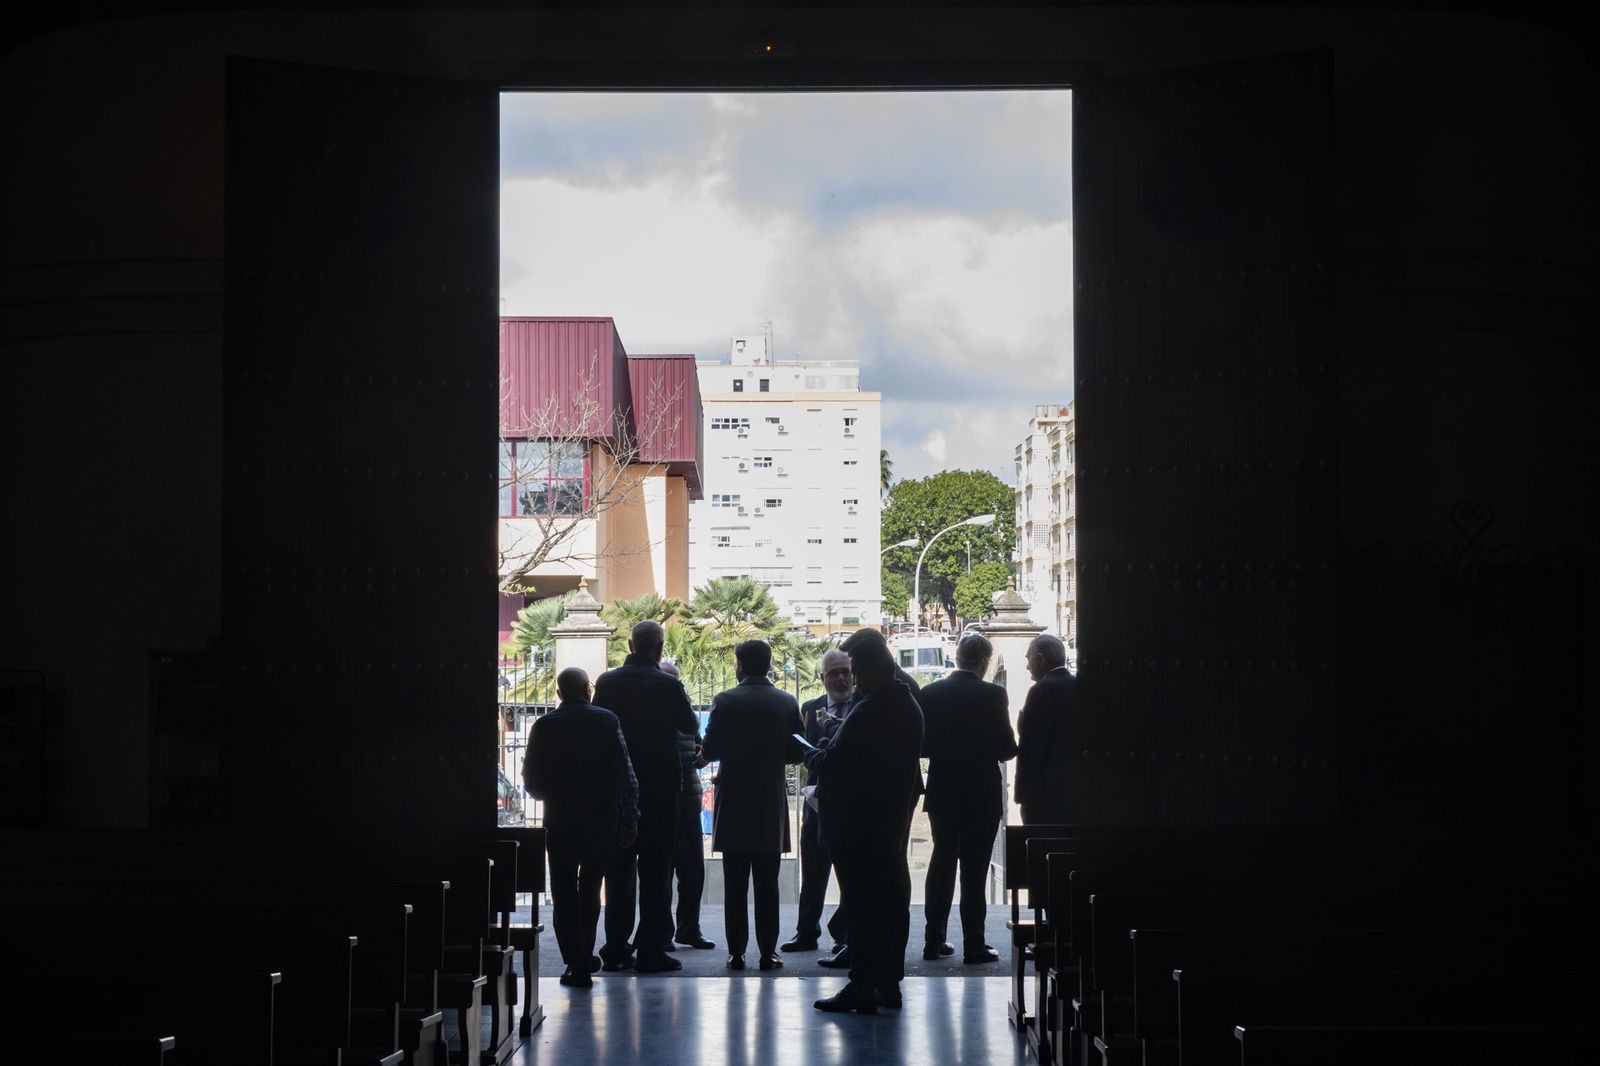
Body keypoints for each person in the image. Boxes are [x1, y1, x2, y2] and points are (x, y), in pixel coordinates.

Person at [806, 637, 924, 1013]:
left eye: (856, 672)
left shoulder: (873, 708)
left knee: (863, 908)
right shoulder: (907, 704)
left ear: (872, 670)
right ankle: (887, 984)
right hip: (887, 823)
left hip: (859, 827)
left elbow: (834, 762)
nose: (853, 681)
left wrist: (814, 750)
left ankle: (862, 986)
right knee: (889, 907)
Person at [593, 620, 702, 973]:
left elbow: (601, 725)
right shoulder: (667, 684)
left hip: (617, 789)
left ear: (629, 645)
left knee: (619, 869)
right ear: (659, 648)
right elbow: (690, 725)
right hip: (661, 787)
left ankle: (615, 947)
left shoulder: (607, 682)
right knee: (656, 873)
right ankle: (651, 950)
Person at [523, 667, 639, 989]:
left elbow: (531, 780)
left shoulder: (544, 725)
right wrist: (629, 816)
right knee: (590, 889)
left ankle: (574, 961)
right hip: (601, 819)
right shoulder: (607, 720)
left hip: (560, 818)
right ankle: (584, 957)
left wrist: (555, 795)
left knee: (562, 890)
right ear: (588, 690)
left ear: (559, 693)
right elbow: (626, 775)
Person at [700, 639, 807, 971]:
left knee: (735, 885)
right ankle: (768, 952)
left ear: (740, 665)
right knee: (767, 884)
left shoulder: (725, 700)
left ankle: (736, 953)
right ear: (769, 662)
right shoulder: (786, 701)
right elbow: (798, 751)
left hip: (733, 799)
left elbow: (712, 749)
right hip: (769, 800)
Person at [917, 631, 1016, 963]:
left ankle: (934, 940)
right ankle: (974, 944)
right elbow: (1007, 748)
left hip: (944, 790)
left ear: (957, 657)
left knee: (942, 863)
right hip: (981, 794)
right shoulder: (993, 695)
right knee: (974, 872)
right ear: (985, 661)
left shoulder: (931, 693)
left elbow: (924, 746)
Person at [782, 649, 853, 954]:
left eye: (845, 672)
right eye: (833, 673)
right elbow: (799, 751)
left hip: (850, 806)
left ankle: (845, 934)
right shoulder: (809, 709)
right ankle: (806, 932)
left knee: (850, 874)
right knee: (812, 872)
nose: (840, 678)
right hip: (816, 804)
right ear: (823, 678)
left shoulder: (861, 708)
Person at [659, 660, 714, 952]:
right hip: (669, 802)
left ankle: (687, 929)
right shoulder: (655, 717)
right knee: (664, 874)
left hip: (688, 802)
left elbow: (701, 746)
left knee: (692, 872)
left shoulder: (686, 717)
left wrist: (701, 755)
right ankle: (666, 932)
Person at [1015, 632, 1076, 825]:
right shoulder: (1080, 686)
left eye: (1029, 659)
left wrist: (1022, 796)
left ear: (1040, 659)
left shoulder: (1040, 691)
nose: (1027, 666)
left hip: (1045, 793)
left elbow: (1030, 750)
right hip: (1076, 789)